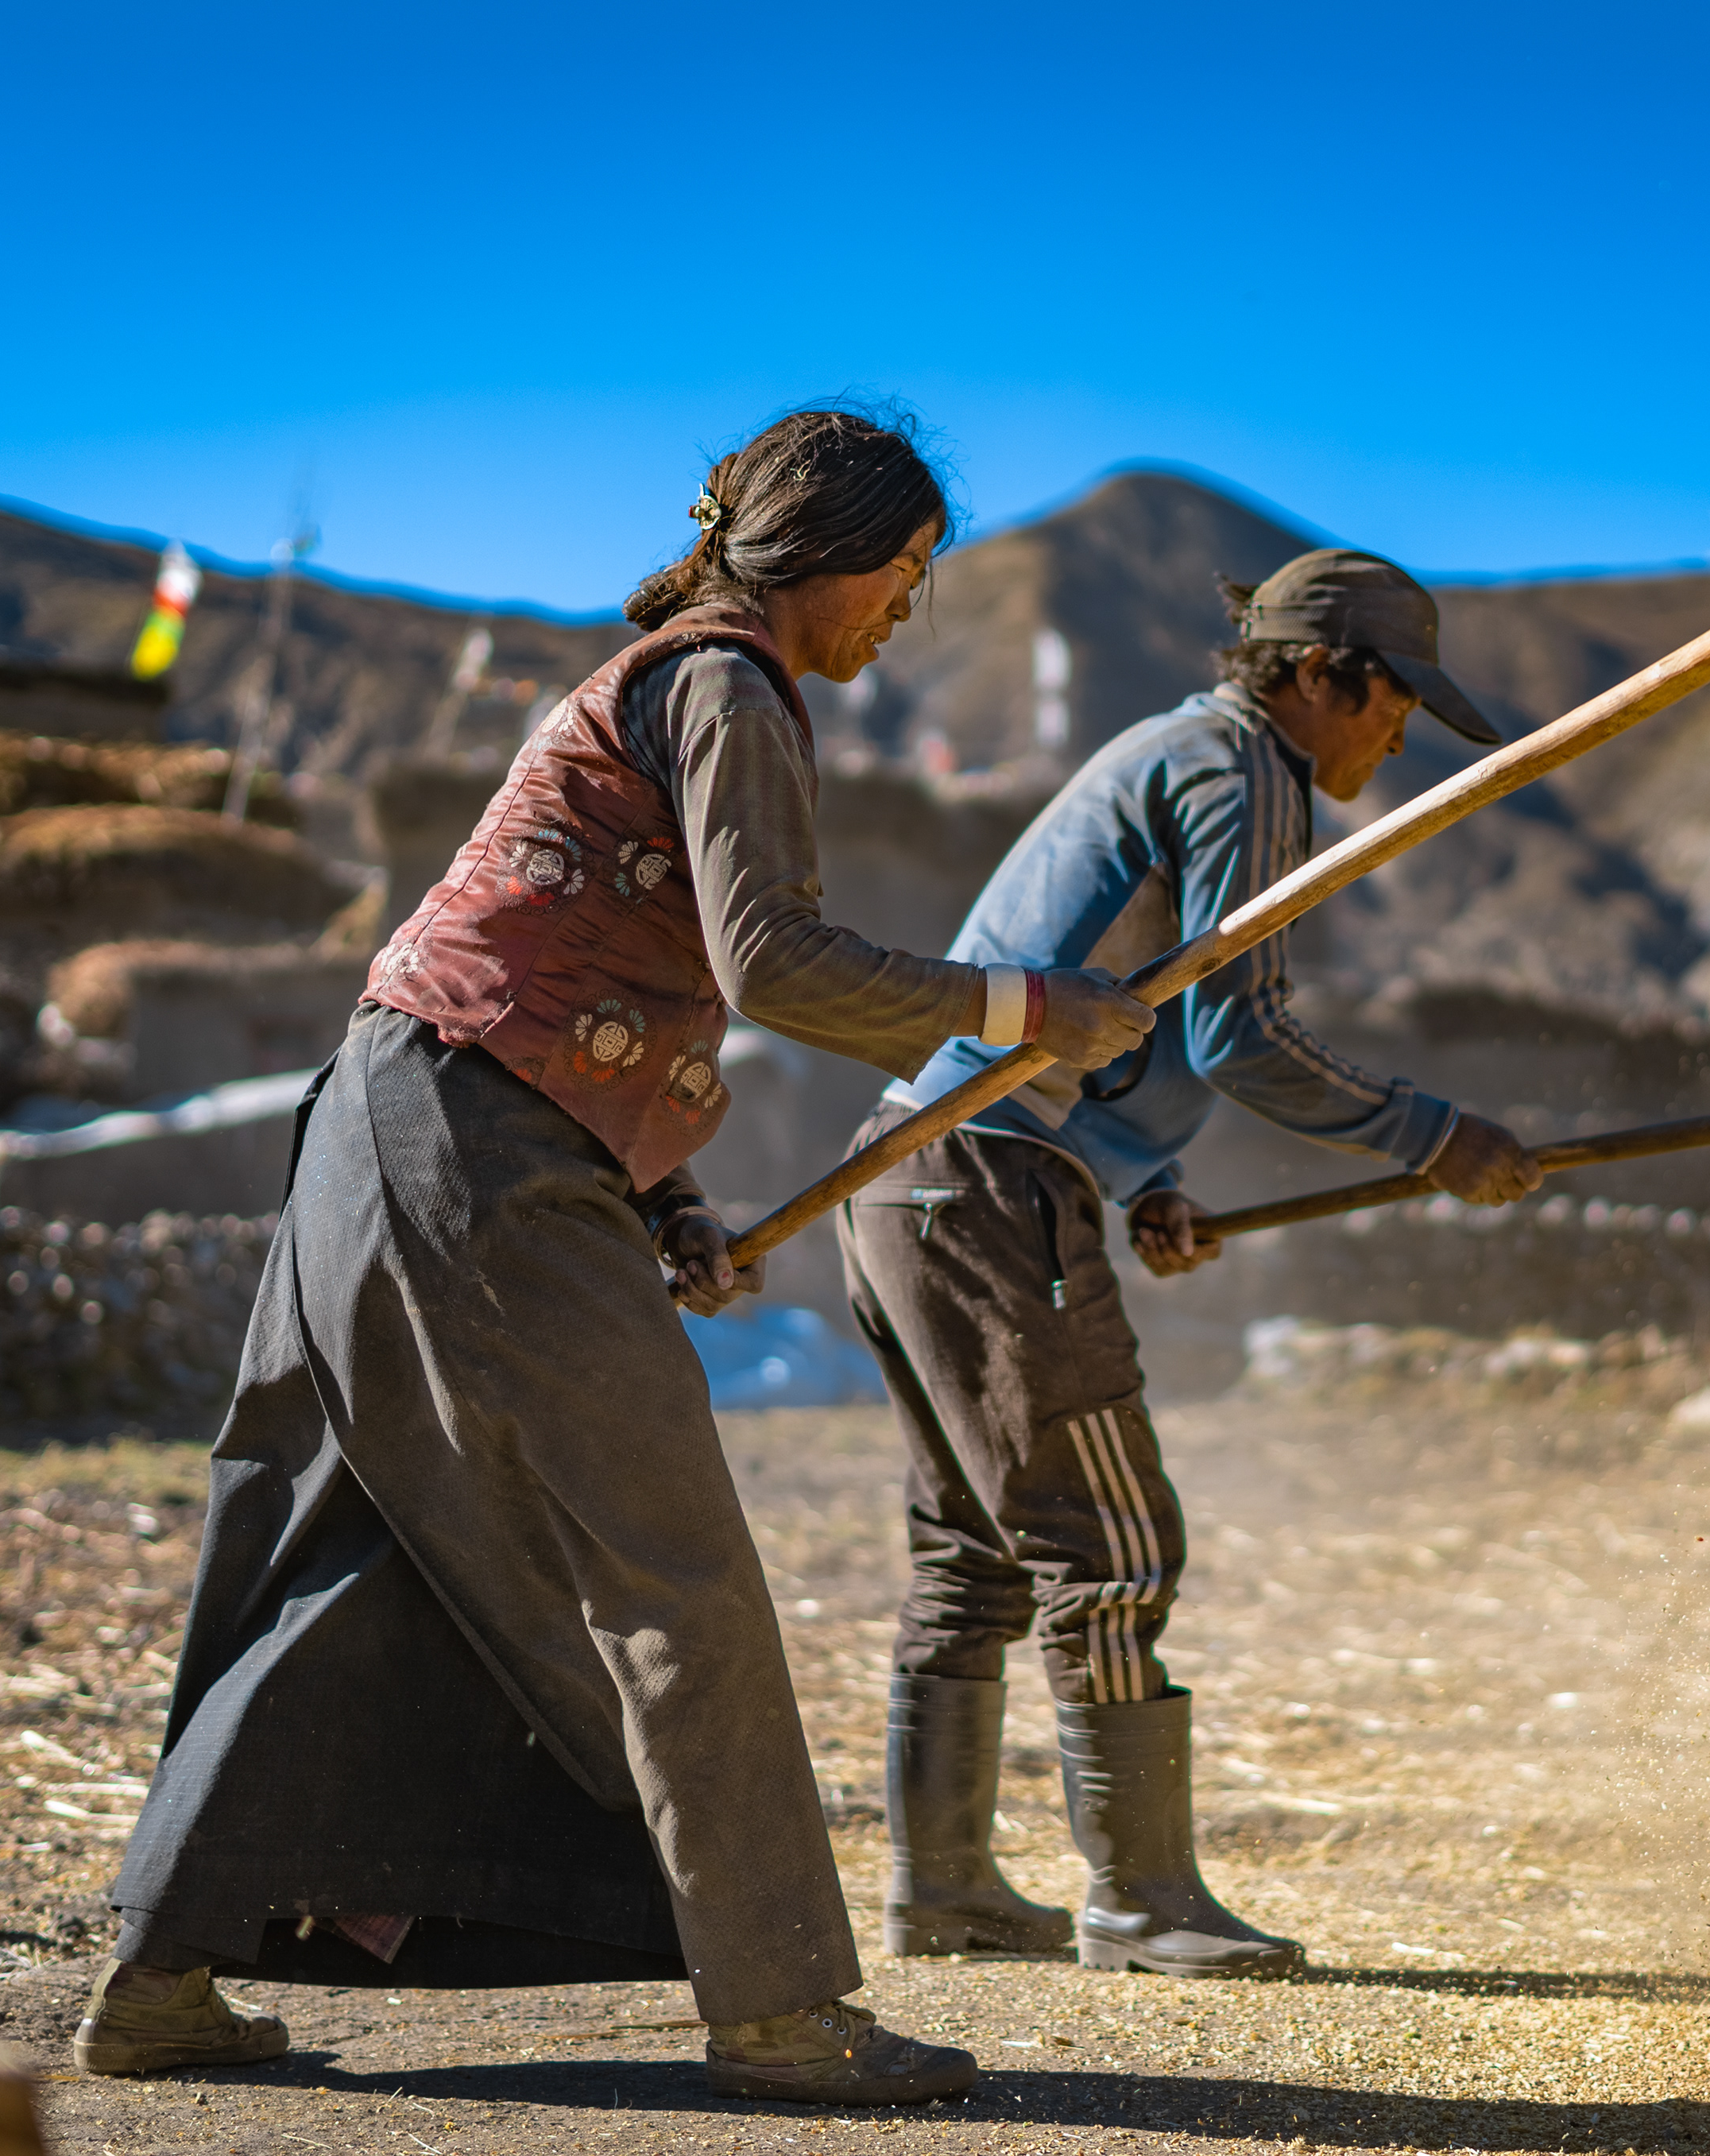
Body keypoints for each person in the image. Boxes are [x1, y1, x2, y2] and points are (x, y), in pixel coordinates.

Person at [81, 407, 1155, 2104]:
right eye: (902, 569)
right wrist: (1030, 1008)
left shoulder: (660, 680)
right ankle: (783, 2006)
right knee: (671, 1565)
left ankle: (158, 1978)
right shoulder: (730, 684)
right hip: (470, 1150)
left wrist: (660, 1199)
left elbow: (575, 963)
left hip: (384, 1125)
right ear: (822, 552)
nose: (908, 607)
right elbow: (773, 961)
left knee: (358, 1552)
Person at [837, 549, 1544, 1979]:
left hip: (907, 1173)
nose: (1398, 737)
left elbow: (1115, 1011)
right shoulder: (1247, 769)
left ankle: (945, 1890)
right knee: (1107, 1540)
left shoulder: (1177, 751)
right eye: (1394, 702)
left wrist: (1141, 1179)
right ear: (1322, 674)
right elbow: (1238, 1033)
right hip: (990, 1175)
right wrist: (1430, 1134)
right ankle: (1141, 1899)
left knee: (973, 1548)